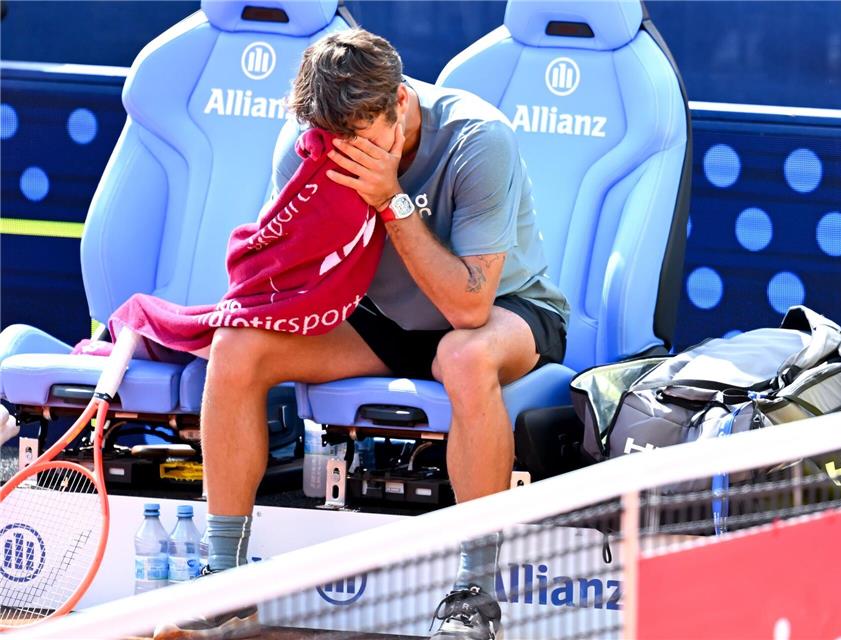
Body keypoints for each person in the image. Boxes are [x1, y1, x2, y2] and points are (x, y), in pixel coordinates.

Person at [154, 28, 568, 640]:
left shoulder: (480, 139)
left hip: (503, 313)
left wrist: (391, 200)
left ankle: (474, 595)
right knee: (236, 345)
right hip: (380, 319)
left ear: (399, 102)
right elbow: (286, 273)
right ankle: (225, 581)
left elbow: (469, 305)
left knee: (461, 356)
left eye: (360, 137)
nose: (343, 153)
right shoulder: (308, 145)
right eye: (331, 140)